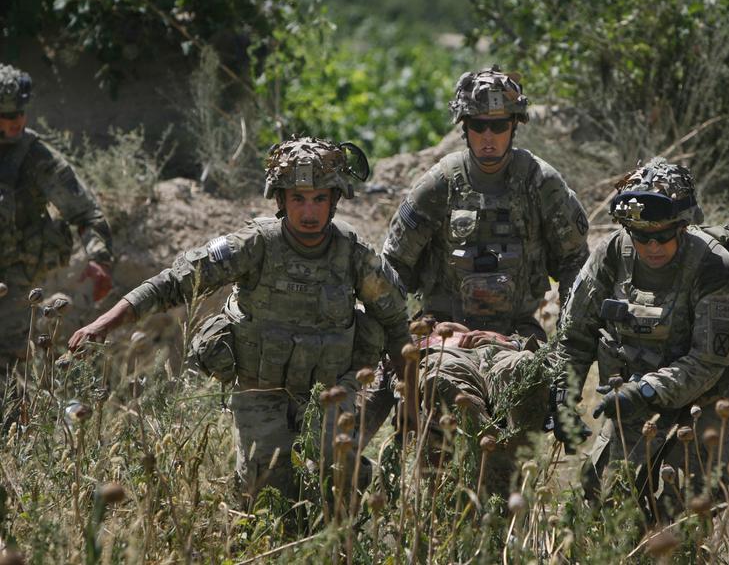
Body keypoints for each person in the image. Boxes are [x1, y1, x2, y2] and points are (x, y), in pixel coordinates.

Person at [69, 136, 411, 504]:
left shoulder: (353, 254)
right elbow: (174, 282)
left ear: (334, 200)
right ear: (280, 200)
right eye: (298, 198)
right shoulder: (254, 245)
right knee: (267, 495)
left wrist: (411, 395)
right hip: (259, 390)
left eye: (319, 199)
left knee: (338, 475)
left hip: (330, 390)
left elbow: (394, 321)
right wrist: (103, 324)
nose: (309, 212)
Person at [555, 157, 729, 521]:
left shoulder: (714, 265)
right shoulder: (611, 253)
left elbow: (708, 359)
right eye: (641, 237)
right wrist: (564, 398)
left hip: (700, 403)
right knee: (605, 508)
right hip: (630, 405)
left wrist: (645, 391)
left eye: (663, 236)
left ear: (683, 226)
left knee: (686, 514)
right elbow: (574, 336)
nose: (652, 246)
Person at [382, 66, 589, 341]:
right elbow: (395, 265)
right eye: (479, 125)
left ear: (514, 125)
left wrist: (568, 341)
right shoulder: (438, 185)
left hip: (517, 335)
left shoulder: (541, 182)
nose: (488, 137)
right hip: (443, 332)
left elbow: (574, 260)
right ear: (465, 127)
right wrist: (396, 340)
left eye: (499, 125)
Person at [0, 63, 113, 371]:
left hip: (12, 284)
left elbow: (86, 213)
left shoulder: (37, 157)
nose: (17, 122)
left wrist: (99, 260)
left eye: (20, 112)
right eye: (6, 116)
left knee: (7, 369)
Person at [399, 320, 550, 497]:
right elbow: (394, 366)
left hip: (501, 352)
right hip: (448, 357)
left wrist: (512, 343)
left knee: (525, 363)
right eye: (435, 323)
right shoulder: (420, 343)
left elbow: (551, 350)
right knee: (446, 380)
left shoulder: (501, 336)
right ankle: (489, 439)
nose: (445, 325)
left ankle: (511, 450)